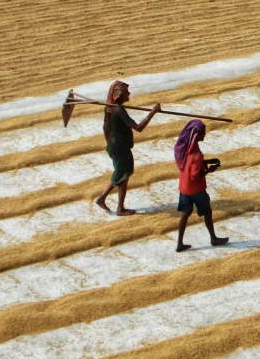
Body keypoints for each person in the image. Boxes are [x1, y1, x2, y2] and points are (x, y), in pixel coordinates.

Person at [96, 80, 161, 215]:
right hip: (120, 148)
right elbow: (139, 128)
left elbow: (105, 128)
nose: (129, 94)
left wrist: (110, 143)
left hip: (115, 146)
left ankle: (108, 201)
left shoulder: (110, 107)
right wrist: (153, 112)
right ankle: (112, 204)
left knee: (122, 175)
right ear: (119, 95)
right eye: (126, 92)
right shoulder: (119, 110)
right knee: (121, 175)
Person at [174, 119, 229, 252]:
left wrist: (207, 161)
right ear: (197, 135)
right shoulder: (197, 154)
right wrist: (208, 170)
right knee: (207, 212)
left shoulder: (184, 147)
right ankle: (214, 239)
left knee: (185, 213)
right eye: (203, 133)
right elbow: (195, 176)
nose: (205, 134)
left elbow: (189, 164)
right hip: (196, 189)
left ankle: (179, 244)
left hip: (184, 187)